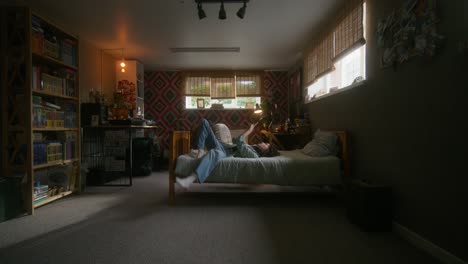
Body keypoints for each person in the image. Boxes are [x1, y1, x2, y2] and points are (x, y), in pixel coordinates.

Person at [176, 118, 279, 189]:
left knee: (214, 152)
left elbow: (239, 141)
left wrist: (249, 130)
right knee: (204, 122)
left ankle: (190, 179)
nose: (264, 142)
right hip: (222, 146)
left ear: (266, 151)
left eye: (266, 144)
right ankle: (201, 150)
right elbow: (235, 141)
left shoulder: (255, 155)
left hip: (225, 153)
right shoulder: (252, 147)